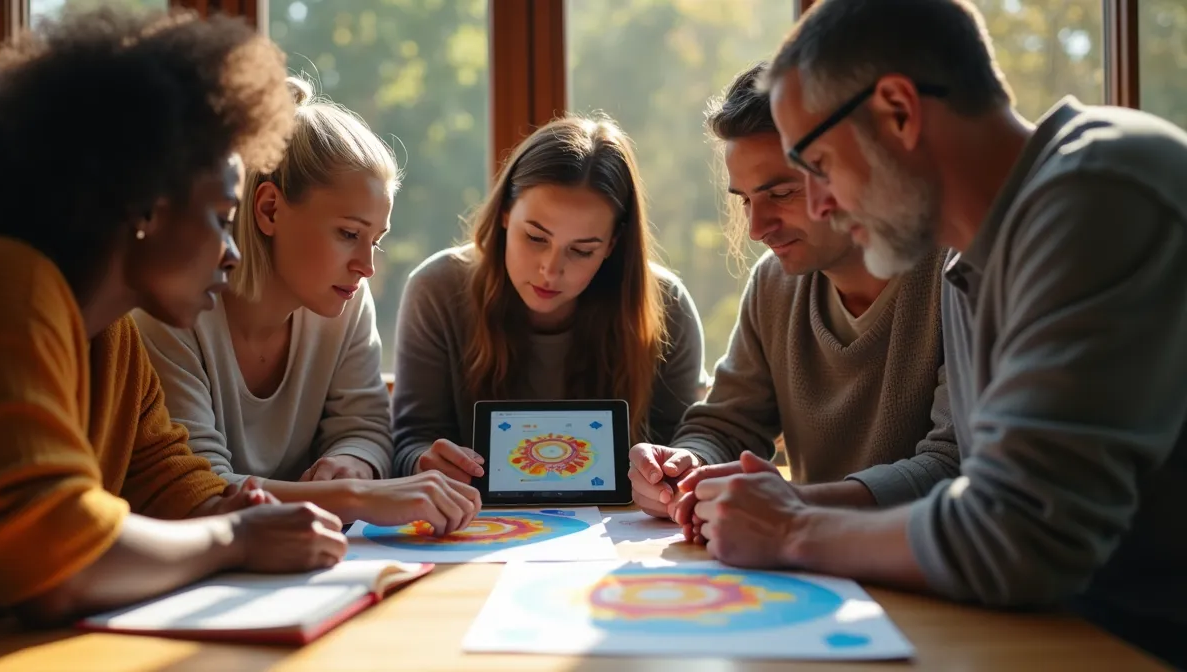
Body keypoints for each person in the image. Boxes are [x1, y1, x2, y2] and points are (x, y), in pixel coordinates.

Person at [684, 0, 1187, 666]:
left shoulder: (1100, 187)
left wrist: (793, 527)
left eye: (821, 165)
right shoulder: (969, 257)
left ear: (898, 110)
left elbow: (1016, 538)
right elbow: (975, 495)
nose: (820, 204)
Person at [0, 9, 347, 669]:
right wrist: (238, 534)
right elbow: (53, 566)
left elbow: (167, 488)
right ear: (146, 204)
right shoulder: (1, 285)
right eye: (221, 218)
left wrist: (233, 508)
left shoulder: (111, 337)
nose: (233, 254)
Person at [135, 77, 480, 534]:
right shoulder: (172, 313)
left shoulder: (345, 304)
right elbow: (196, 489)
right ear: (270, 210)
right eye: (348, 234)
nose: (366, 267)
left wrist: (352, 462)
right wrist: (352, 496)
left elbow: (365, 427)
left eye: (375, 241)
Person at [629, 61, 958, 521]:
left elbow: (955, 466)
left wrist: (794, 506)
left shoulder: (955, 273)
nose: (756, 229)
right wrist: (688, 466)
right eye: (744, 200)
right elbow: (727, 424)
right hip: (817, 564)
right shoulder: (774, 283)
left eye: (780, 193)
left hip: (923, 575)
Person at [391, 115, 707, 481]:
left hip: (623, 529)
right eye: (536, 238)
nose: (551, 270)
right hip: (475, 524)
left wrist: (673, 470)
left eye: (582, 251)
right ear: (506, 213)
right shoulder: (438, 290)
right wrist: (425, 462)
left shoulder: (665, 304)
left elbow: (684, 441)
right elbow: (411, 440)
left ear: (612, 245)